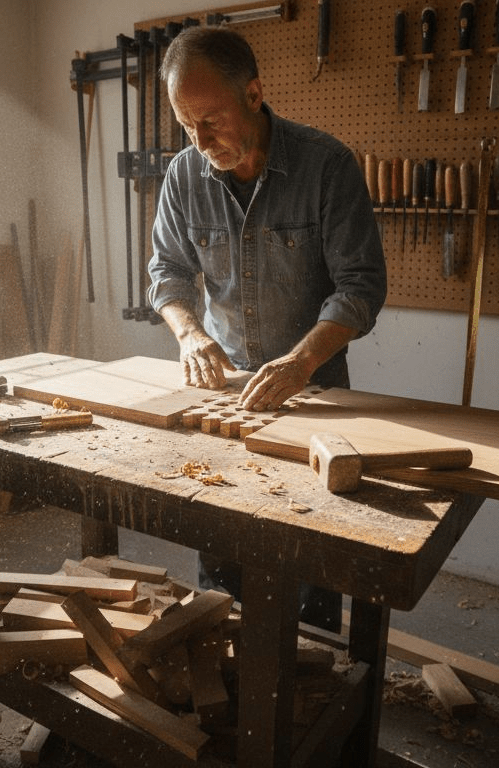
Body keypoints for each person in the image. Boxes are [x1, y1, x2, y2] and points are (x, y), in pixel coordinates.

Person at [147, 26, 387, 632]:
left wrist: (301, 362)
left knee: (309, 569)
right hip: (228, 395)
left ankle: (313, 681)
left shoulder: (327, 166)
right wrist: (190, 335)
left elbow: (360, 288)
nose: (200, 142)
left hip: (316, 395)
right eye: (186, 125)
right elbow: (167, 275)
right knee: (223, 575)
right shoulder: (183, 176)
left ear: (254, 93)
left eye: (211, 120)